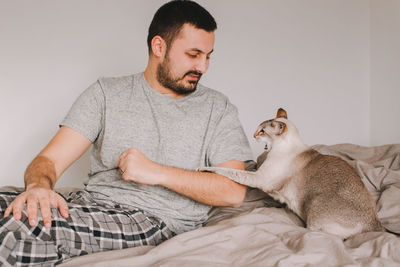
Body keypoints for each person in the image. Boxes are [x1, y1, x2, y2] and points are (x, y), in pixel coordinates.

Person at [0, 0, 252, 265]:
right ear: (159, 47)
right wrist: (38, 187)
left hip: (153, 218)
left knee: (22, 231)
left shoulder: (217, 108)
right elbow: (49, 160)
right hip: (91, 202)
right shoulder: (106, 93)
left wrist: (156, 172)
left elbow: (232, 191)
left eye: (208, 56)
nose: (203, 67)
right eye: (193, 54)